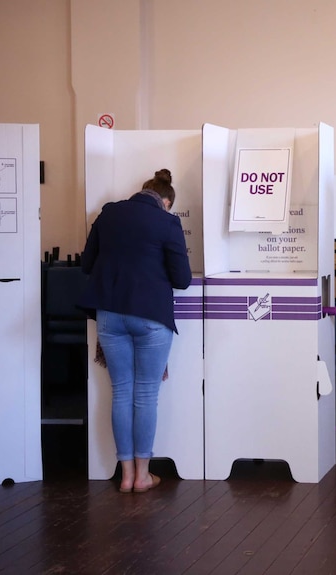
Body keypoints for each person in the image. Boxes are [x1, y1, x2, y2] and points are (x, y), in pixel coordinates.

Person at [79, 169, 192, 493]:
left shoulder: (110, 213)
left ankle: (126, 475)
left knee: (120, 392)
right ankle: (143, 476)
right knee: (145, 395)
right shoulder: (166, 222)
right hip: (150, 318)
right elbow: (182, 279)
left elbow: (87, 264)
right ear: (166, 201)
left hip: (110, 316)